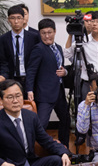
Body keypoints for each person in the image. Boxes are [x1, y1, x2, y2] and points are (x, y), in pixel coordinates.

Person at [26, 18, 70, 146]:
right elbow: (31, 71)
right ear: (39, 33)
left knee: (65, 120)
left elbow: (60, 67)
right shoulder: (38, 49)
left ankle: (63, 148)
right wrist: (29, 90)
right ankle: (33, 150)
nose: (47, 36)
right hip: (44, 94)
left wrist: (65, 72)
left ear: (55, 32)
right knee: (41, 124)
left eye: (49, 32)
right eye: (43, 33)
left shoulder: (59, 48)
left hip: (59, 92)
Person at [0, 5, 40, 91]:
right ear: (8, 20)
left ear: (23, 19)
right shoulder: (2, 39)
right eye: (13, 18)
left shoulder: (34, 37)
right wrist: (4, 76)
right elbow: (3, 62)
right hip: (12, 80)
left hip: (31, 80)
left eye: (19, 18)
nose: (16, 21)